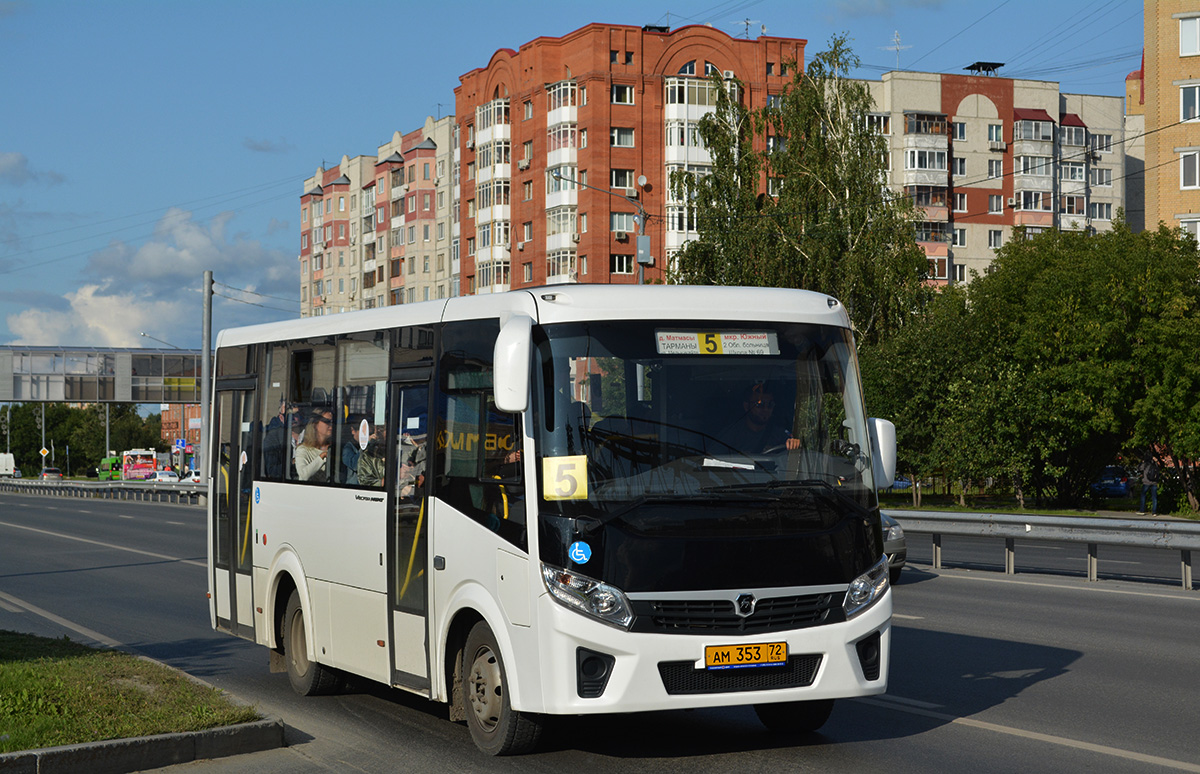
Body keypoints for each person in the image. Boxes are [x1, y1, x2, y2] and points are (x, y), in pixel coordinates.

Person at [718, 383, 801, 455]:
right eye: (759, 405)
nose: (765, 409)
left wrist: (794, 444)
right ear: (746, 406)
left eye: (770, 405)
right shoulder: (731, 434)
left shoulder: (780, 434)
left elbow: (794, 447)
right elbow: (712, 459)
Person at [295, 409, 333, 482]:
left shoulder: (335, 449)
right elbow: (303, 475)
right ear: (315, 423)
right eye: (327, 421)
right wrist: (322, 457)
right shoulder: (303, 450)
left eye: (332, 422)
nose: (331, 425)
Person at [341, 415, 367, 485]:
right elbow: (355, 465)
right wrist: (364, 446)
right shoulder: (347, 448)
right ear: (353, 431)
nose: (366, 435)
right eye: (363, 432)